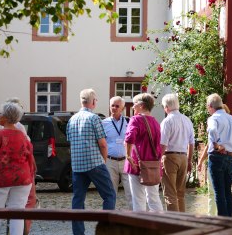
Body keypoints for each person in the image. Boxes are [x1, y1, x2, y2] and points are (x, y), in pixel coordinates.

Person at [66, 89, 116, 235]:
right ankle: (105, 230)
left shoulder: (72, 119)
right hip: (94, 163)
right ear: (93, 101)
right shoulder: (94, 118)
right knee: (109, 195)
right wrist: (103, 160)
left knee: (78, 200)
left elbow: (71, 143)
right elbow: (103, 144)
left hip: (77, 165)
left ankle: (78, 233)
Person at [0, 102, 35, 235]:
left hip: (1, 179)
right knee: (17, 213)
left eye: (0, 114)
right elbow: (30, 160)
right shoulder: (23, 136)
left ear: (5, 117)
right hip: (23, 179)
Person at [205, 93, 232, 217]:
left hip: (217, 155)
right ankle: (230, 221)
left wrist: (217, 144)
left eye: (208, 107)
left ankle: (223, 223)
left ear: (210, 106)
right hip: (230, 156)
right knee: (227, 191)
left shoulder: (214, 118)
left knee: (219, 192)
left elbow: (212, 130)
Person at [124, 93, 163, 212]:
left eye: (134, 104)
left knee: (138, 199)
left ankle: (140, 227)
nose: (132, 107)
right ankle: (159, 227)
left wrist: (128, 155)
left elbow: (129, 138)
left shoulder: (136, 119)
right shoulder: (155, 122)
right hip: (153, 165)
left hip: (137, 164)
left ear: (141, 105)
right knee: (154, 198)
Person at [5, 97, 36, 235]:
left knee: (13, 202)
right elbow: (26, 149)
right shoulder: (18, 126)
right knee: (28, 200)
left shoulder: (5, 126)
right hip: (23, 169)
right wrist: (32, 166)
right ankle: (23, 230)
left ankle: (13, 229)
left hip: (11, 169)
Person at [160, 93, 194, 212]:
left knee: (170, 193)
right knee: (180, 193)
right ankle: (182, 220)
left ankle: (173, 223)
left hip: (170, 156)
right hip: (183, 156)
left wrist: (158, 158)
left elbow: (163, 143)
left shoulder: (167, 121)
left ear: (167, 107)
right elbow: (191, 143)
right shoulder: (187, 120)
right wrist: (189, 160)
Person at [197, 103, 231, 216]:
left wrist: (201, 161)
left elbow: (210, 145)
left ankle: (213, 217)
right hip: (228, 160)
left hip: (216, 160)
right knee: (224, 191)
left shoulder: (214, 124)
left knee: (214, 192)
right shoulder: (230, 126)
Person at [102, 96, 132, 210]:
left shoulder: (129, 121)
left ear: (123, 107)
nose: (114, 108)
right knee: (110, 192)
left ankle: (135, 218)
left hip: (126, 160)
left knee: (130, 191)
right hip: (110, 161)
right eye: (112, 105)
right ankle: (110, 217)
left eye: (117, 106)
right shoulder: (103, 123)